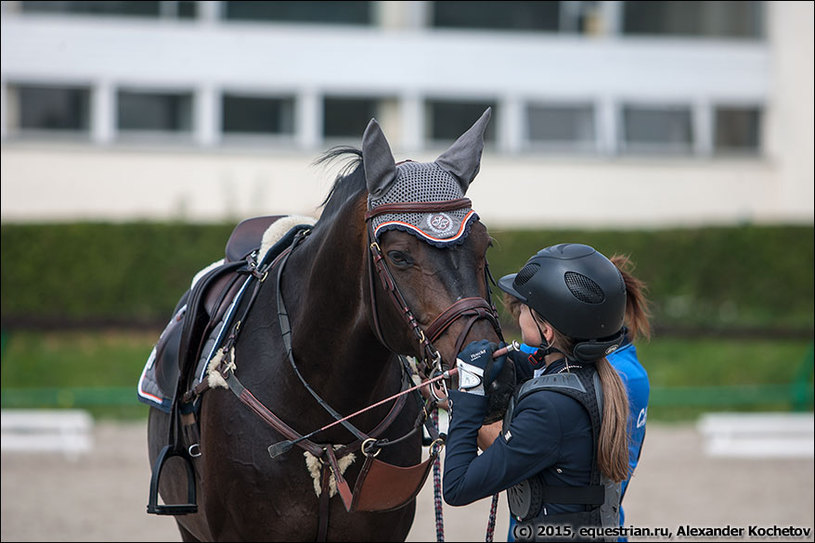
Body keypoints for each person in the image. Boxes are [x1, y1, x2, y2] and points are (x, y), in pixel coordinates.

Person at [442, 243, 639, 542]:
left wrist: (469, 390)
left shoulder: (549, 409)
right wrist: (510, 363)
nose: (517, 314)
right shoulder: (598, 378)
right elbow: (542, 374)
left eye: (522, 308)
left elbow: (457, 486)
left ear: (546, 331)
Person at [497, 254, 651, 541]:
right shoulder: (575, 359)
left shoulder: (620, 377)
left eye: (523, 311)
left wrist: (467, 405)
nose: (518, 320)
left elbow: (508, 455)